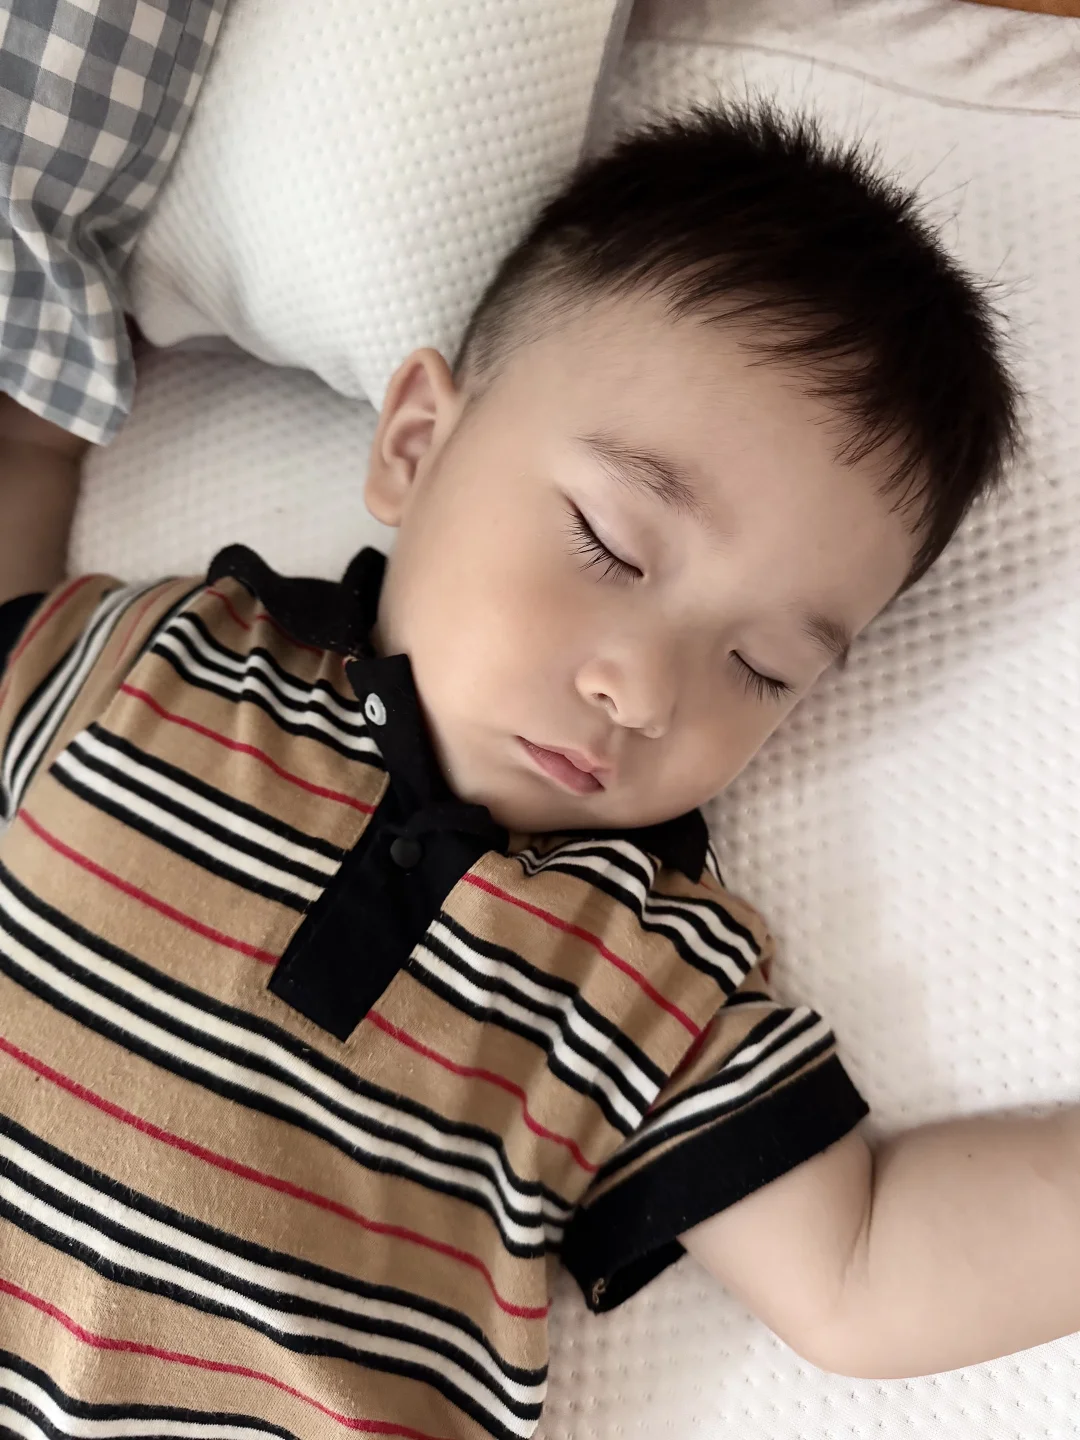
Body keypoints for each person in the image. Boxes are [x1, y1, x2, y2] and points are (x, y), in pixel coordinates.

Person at [0, 102, 1071, 1440]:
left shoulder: (644, 971)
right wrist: (35, 436)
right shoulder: (157, 665)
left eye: (762, 667)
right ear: (414, 446)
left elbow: (860, 1269)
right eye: (612, 545)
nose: (646, 690)